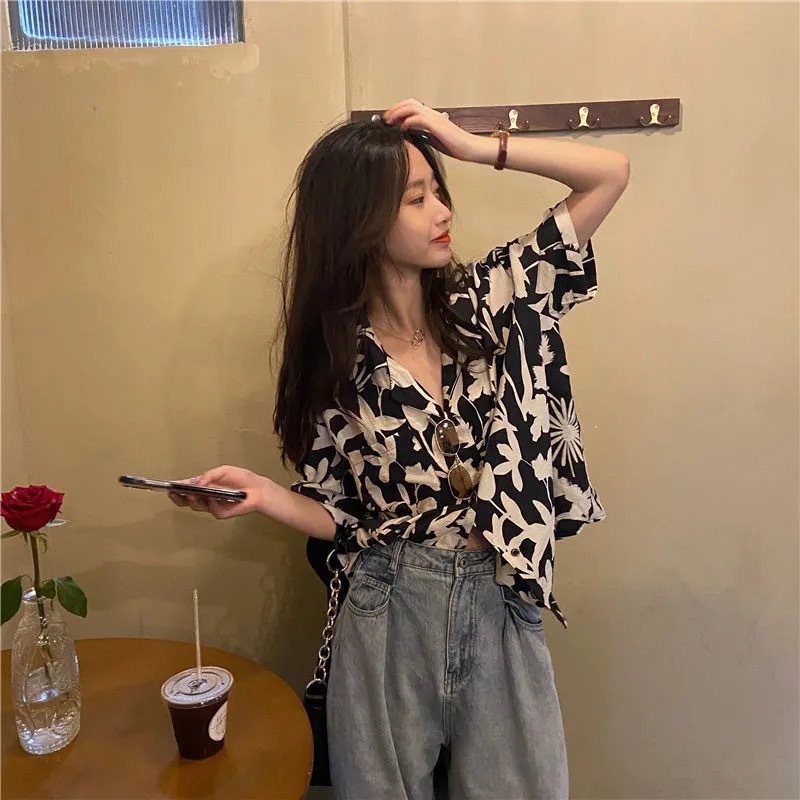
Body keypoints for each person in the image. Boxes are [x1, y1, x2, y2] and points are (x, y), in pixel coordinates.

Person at [169, 97, 629, 799]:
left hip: (499, 593)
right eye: (416, 199)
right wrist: (264, 497)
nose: (442, 211)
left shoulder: (490, 300)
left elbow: (609, 173)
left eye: (437, 190)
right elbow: (341, 516)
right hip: (386, 605)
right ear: (358, 221)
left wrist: (473, 147)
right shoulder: (337, 361)